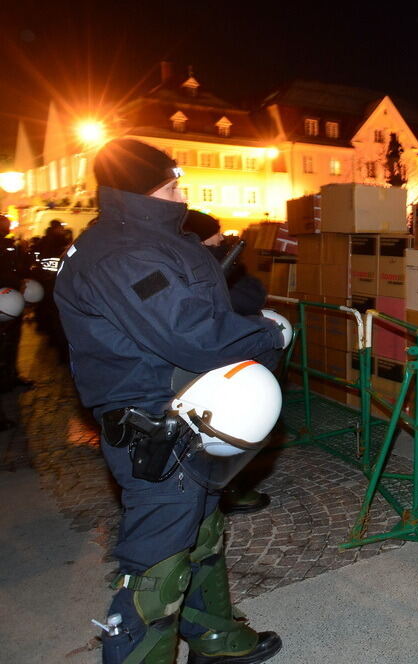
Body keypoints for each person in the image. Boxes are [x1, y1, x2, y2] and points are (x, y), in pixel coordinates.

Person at [54, 138, 286, 664]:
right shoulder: (125, 251)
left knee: (199, 530)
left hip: (188, 414)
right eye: (171, 183)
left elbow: (182, 307)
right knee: (158, 559)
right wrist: (267, 334)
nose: (181, 193)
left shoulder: (140, 239)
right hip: (158, 423)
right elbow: (194, 334)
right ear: (141, 187)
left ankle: (215, 638)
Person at [183, 210, 274, 516]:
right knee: (224, 426)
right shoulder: (203, 265)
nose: (221, 237)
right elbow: (248, 297)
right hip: (220, 360)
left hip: (216, 357)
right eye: (215, 233)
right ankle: (225, 491)